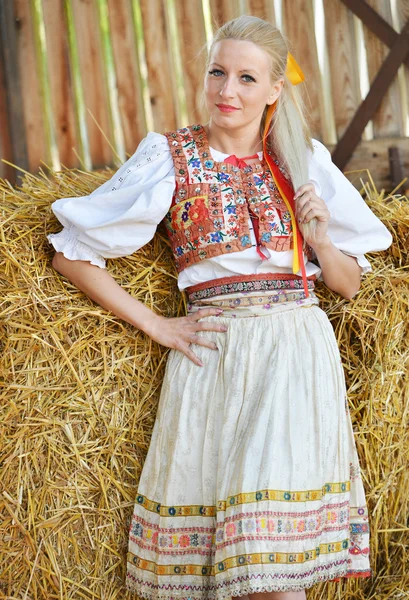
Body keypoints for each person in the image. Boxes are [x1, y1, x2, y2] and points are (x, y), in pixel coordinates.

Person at [47, 15, 392, 600]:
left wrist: (322, 240)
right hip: (217, 358)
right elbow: (71, 255)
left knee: (272, 568)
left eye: (246, 79)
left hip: (294, 355)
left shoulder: (302, 161)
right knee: (237, 571)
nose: (227, 91)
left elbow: (350, 285)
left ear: (275, 90)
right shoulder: (169, 156)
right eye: (217, 73)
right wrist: (158, 325)